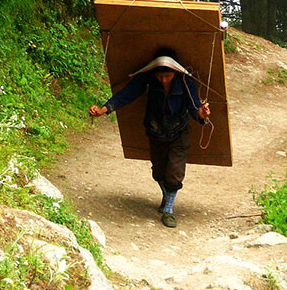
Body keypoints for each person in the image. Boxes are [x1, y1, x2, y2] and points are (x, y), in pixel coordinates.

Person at [89, 48, 210, 228]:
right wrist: (103, 110)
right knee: (159, 172)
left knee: (175, 173)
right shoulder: (146, 78)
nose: (163, 80)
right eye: (160, 76)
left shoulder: (185, 81)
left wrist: (201, 114)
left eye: (167, 76)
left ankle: (169, 209)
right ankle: (167, 195)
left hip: (179, 132)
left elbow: (195, 108)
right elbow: (125, 95)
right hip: (156, 131)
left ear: (175, 72)